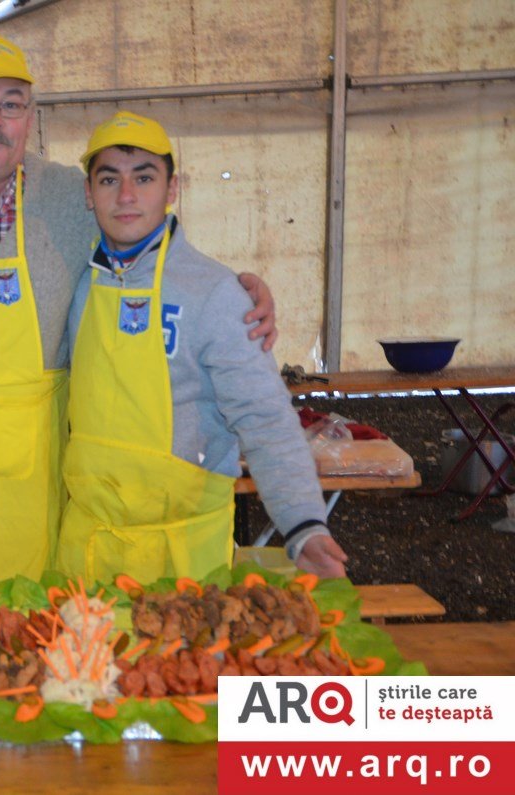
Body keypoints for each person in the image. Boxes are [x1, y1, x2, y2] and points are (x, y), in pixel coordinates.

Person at [0, 34, 277, 587]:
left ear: (30, 116)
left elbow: (157, 254)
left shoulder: (71, 199)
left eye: (11, 104)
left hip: (27, 498)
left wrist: (239, 287)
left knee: (27, 644)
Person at [55, 110, 348, 585]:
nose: (126, 196)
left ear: (172, 188)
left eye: (144, 178)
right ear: (88, 194)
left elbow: (264, 417)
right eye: (109, 179)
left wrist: (303, 525)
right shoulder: (77, 283)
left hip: (184, 562)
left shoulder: (216, 294)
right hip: (87, 555)